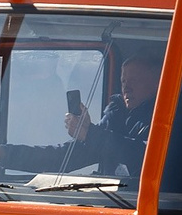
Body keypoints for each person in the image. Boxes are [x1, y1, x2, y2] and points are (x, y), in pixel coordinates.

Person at [61, 48, 158, 178]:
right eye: (124, 81)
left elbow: (149, 156)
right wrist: (24, 155)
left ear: (157, 83)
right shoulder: (117, 112)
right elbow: (78, 152)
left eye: (134, 80)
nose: (126, 88)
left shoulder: (176, 117)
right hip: (111, 196)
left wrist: (89, 133)